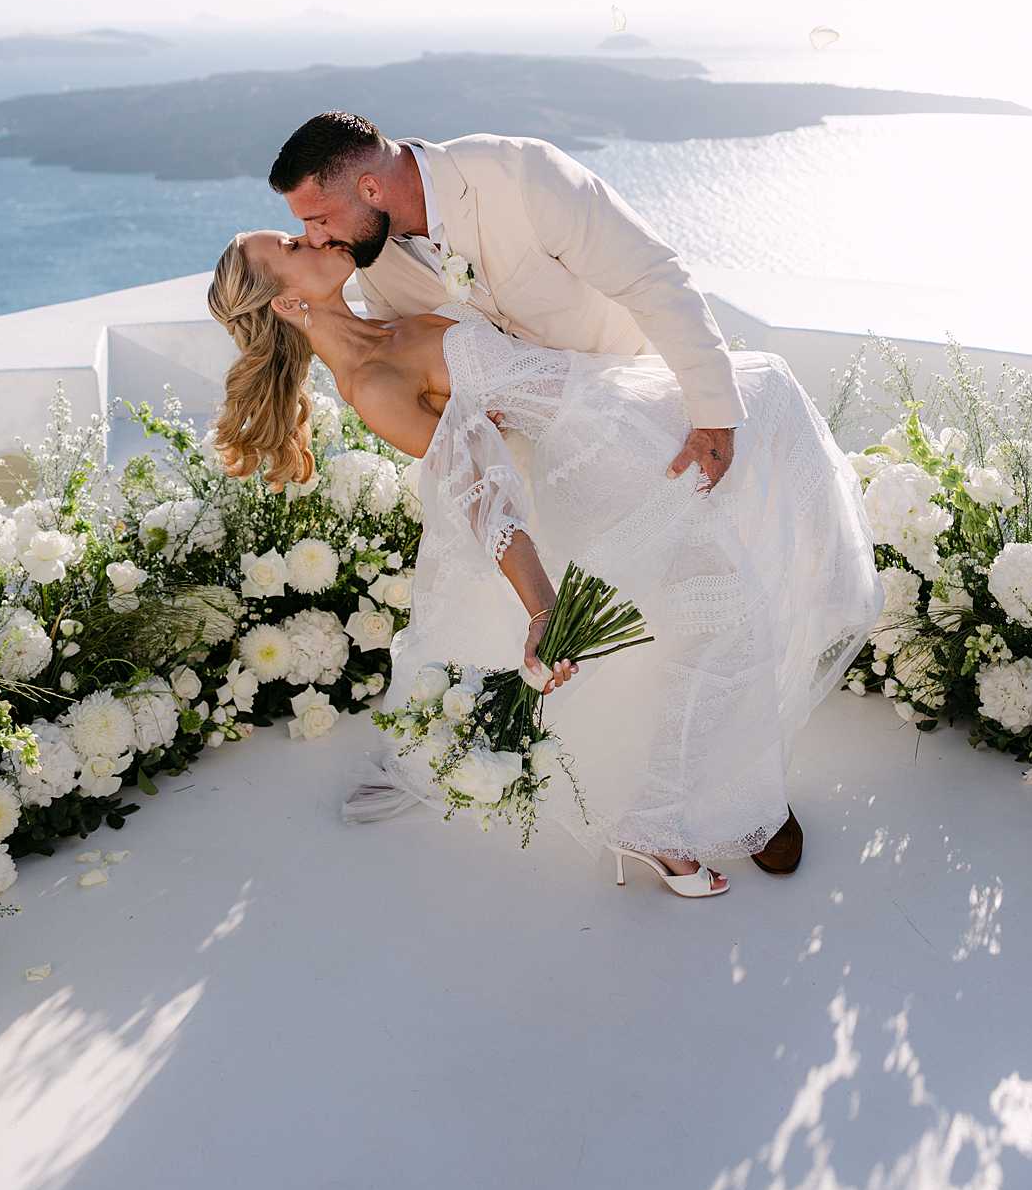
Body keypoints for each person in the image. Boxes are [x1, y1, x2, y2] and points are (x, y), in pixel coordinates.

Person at [207, 178, 884, 897]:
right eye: (288, 245)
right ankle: (666, 824)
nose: (310, 236)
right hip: (605, 463)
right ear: (286, 302)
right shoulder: (371, 382)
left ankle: (713, 805)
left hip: (622, 401)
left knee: (761, 437)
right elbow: (481, 497)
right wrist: (540, 607)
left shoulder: (389, 315)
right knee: (723, 616)